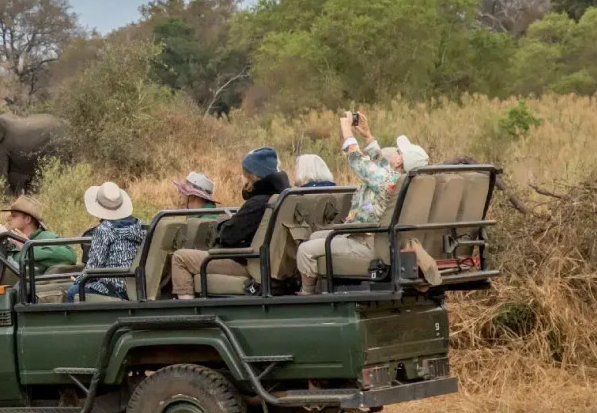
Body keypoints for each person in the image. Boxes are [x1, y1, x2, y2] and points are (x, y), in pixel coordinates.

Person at [296, 111, 429, 293]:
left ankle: (307, 296)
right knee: (315, 237)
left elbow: (357, 160)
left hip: (367, 241)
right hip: (372, 238)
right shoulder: (399, 180)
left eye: (398, 152)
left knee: (305, 250)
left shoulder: (386, 180)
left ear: (399, 162)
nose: (394, 151)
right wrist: (368, 136)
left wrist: (346, 129)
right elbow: (381, 163)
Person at [169, 147, 289, 299]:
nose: (242, 179)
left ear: (253, 176)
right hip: (265, 262)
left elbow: (228, 236)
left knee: (180, 258)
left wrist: (223, 225)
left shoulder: (258, 202)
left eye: (244, 174)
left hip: (248, 262)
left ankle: (187, 309)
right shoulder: (282, 198)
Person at [0, 195, 75, 289]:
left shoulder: (45, 238)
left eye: (14, 216)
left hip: (28, 295)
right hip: (8, 292)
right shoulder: (10, 238)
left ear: (27, 219)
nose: (9, 219)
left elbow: (70, 256)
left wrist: (28, 247)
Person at [65, 182, 146, 301]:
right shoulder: (138, 226)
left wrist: (77, 280)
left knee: (72, 291)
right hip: (135, 285)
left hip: (113, 288)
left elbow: (93, 268)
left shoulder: (104, 229)